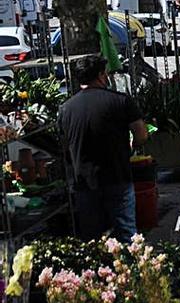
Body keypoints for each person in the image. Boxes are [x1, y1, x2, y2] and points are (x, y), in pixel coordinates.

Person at [59, 55, 148, 242]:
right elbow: (141, 134)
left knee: (92, 240)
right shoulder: (121, 101)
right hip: (117, 177)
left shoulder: (65, 109)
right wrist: (132, 145)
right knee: (126, 236)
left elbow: (64, 144)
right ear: (100, 76)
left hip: (83, 182)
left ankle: (99, 270)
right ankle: (129, 268)